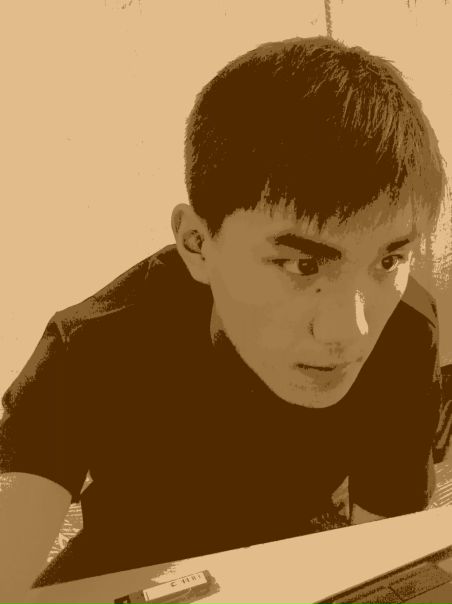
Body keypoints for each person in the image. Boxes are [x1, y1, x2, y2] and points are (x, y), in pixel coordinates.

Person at [0, 35, 447, 598]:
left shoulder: (405, 330)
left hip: (299, 552)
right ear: (197, 243)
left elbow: (381, 548)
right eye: (302, 264)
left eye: (389, 260)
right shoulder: (95, 342)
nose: (352, 330)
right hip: (130, 562)